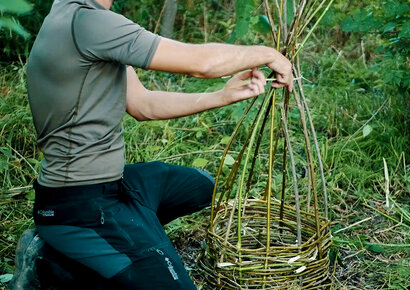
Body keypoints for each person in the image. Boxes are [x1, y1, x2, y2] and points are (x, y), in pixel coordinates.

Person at [9, 0, 293, 289]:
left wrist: (222, 95)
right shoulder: (87, 22)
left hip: (111, 186)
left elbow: (143, 105)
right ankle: (56, 262)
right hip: (83, 205)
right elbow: (201, 64)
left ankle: (111, 247)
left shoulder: (76, 16)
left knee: (202, 186)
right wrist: (267, 54)